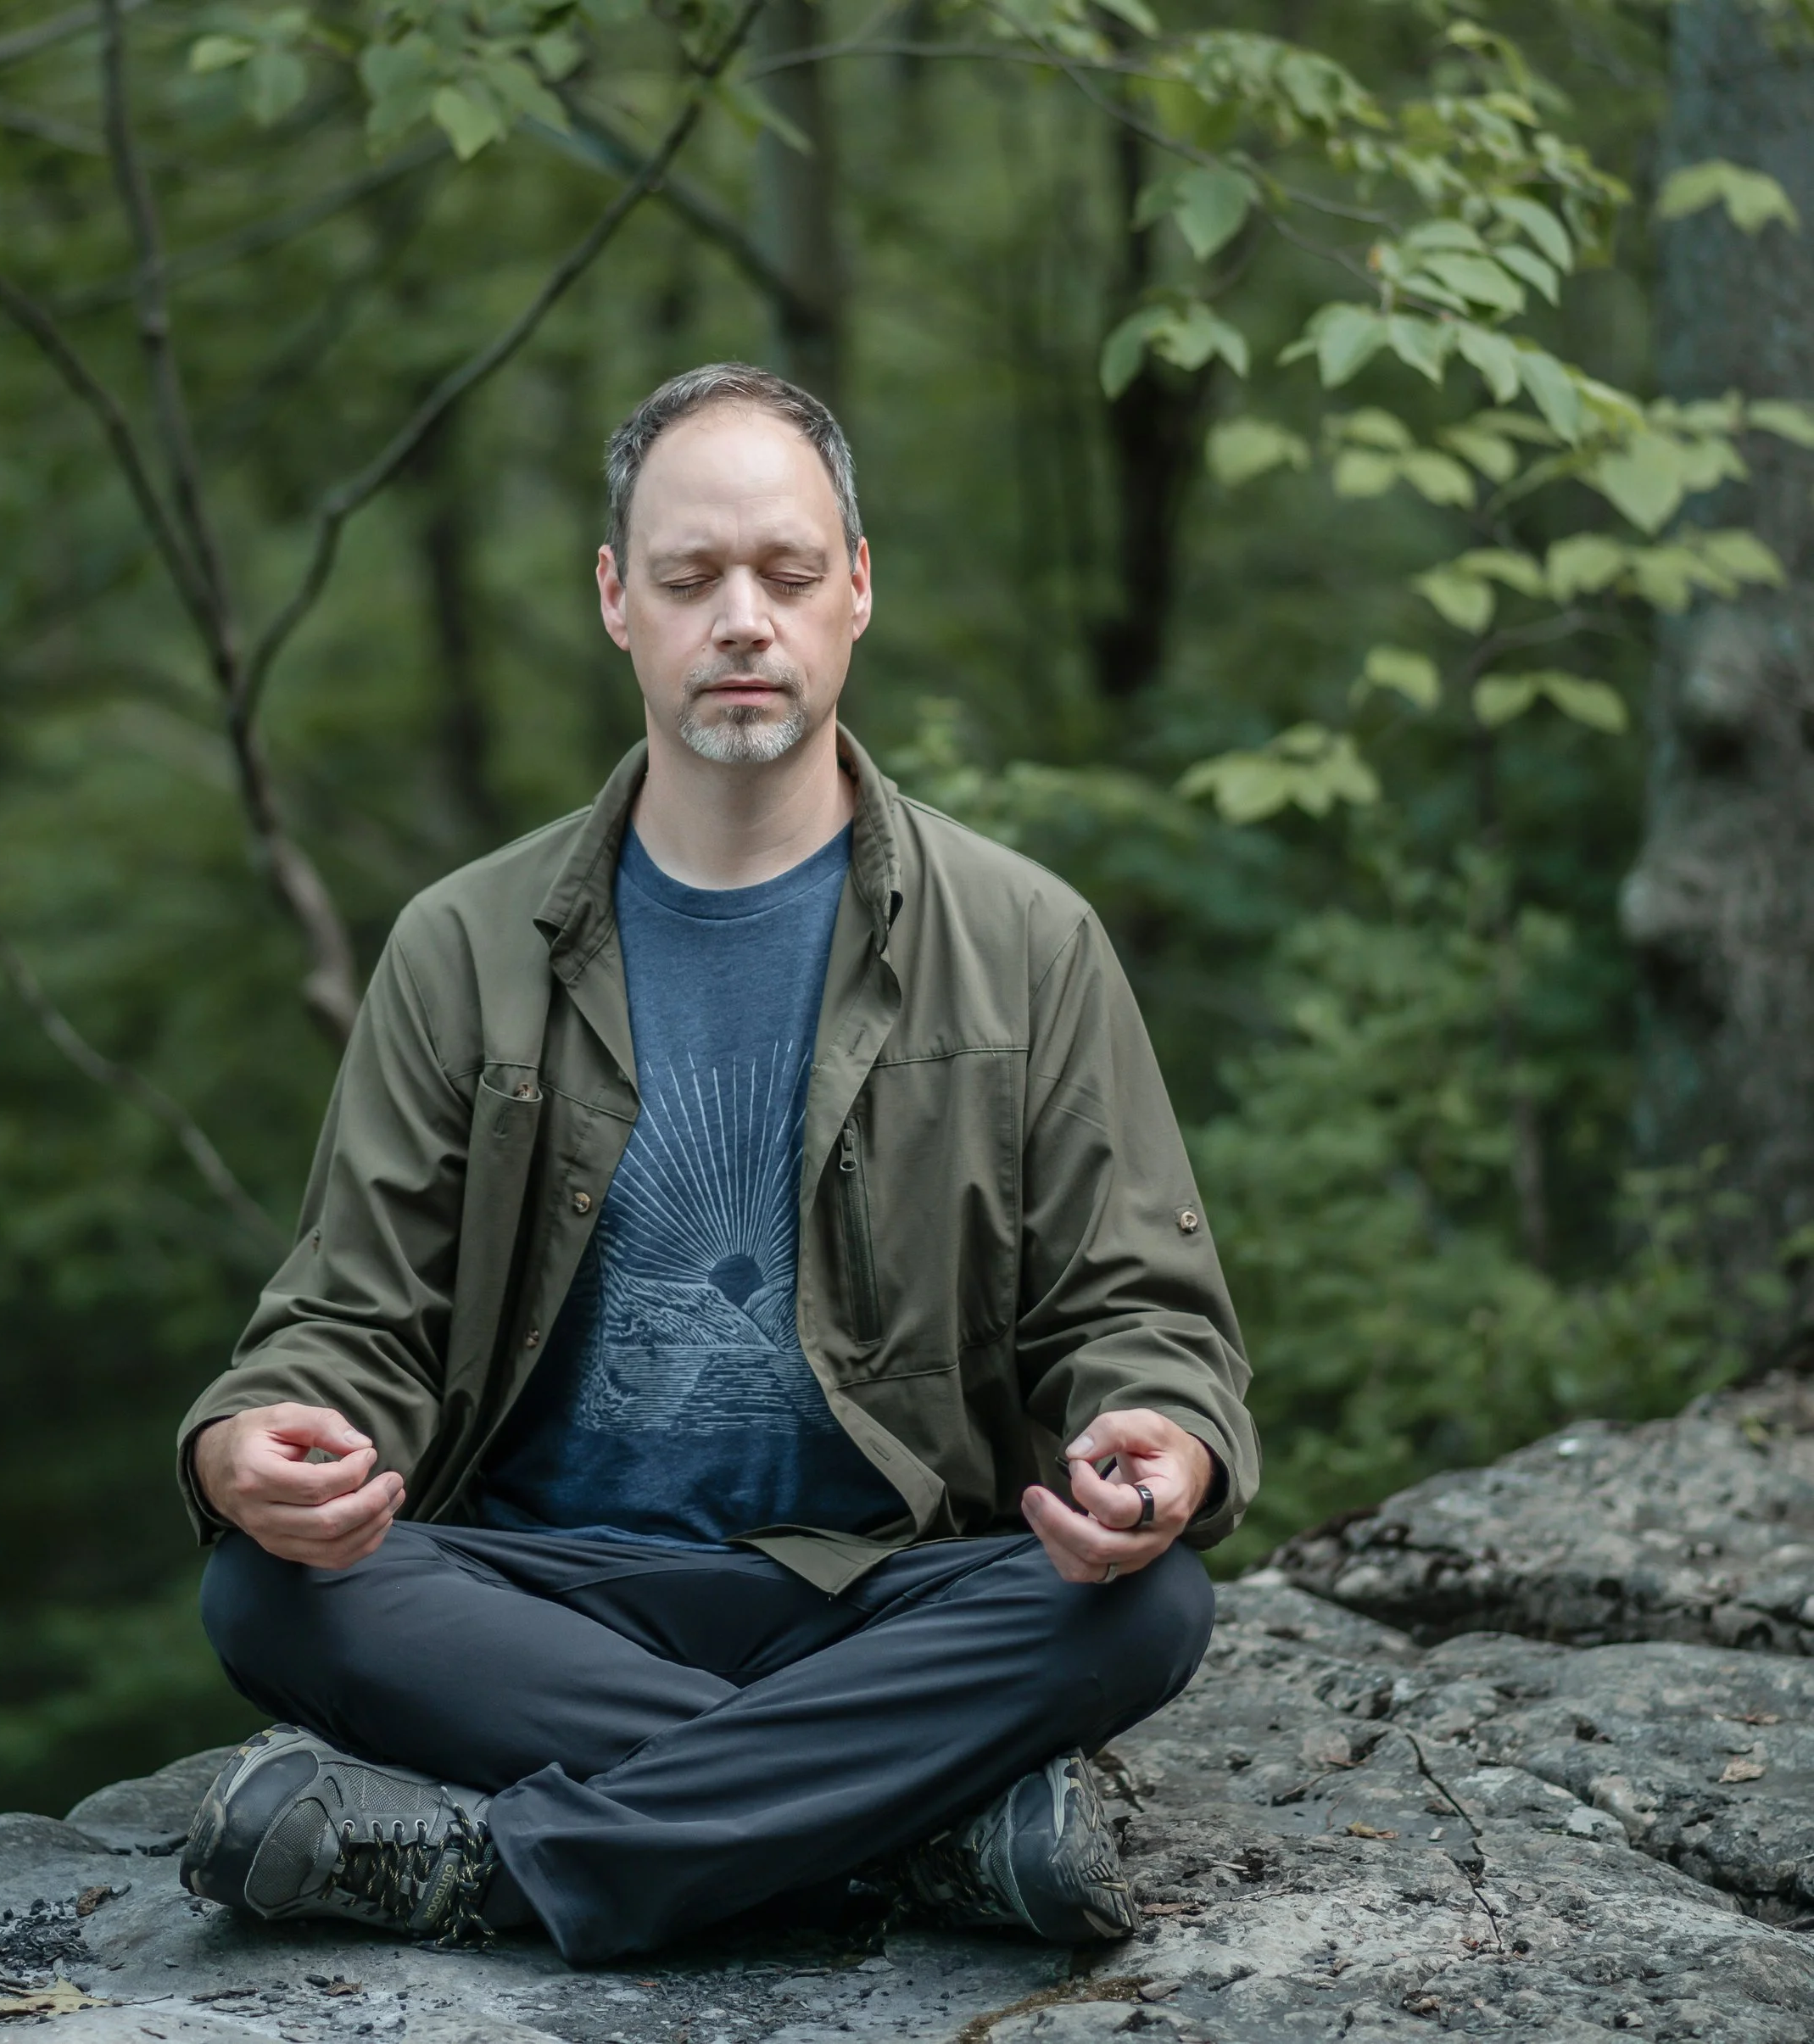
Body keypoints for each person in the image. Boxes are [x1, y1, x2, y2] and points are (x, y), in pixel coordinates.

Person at [174, 363, 1258, 1968]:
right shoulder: (461, 945)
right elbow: (348, 1322)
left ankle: (499, 1866)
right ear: (618, 599)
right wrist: (251, 1450)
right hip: (550, 1595)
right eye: (690, 578)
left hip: (889, 1588)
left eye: (787, 573)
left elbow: (1143, 1311)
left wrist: (1160, 1436)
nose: (741, 618)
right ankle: (913, 1829)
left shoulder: (1027, 942)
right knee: (268, 1593)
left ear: (859, 588)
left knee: (1144, 1605)